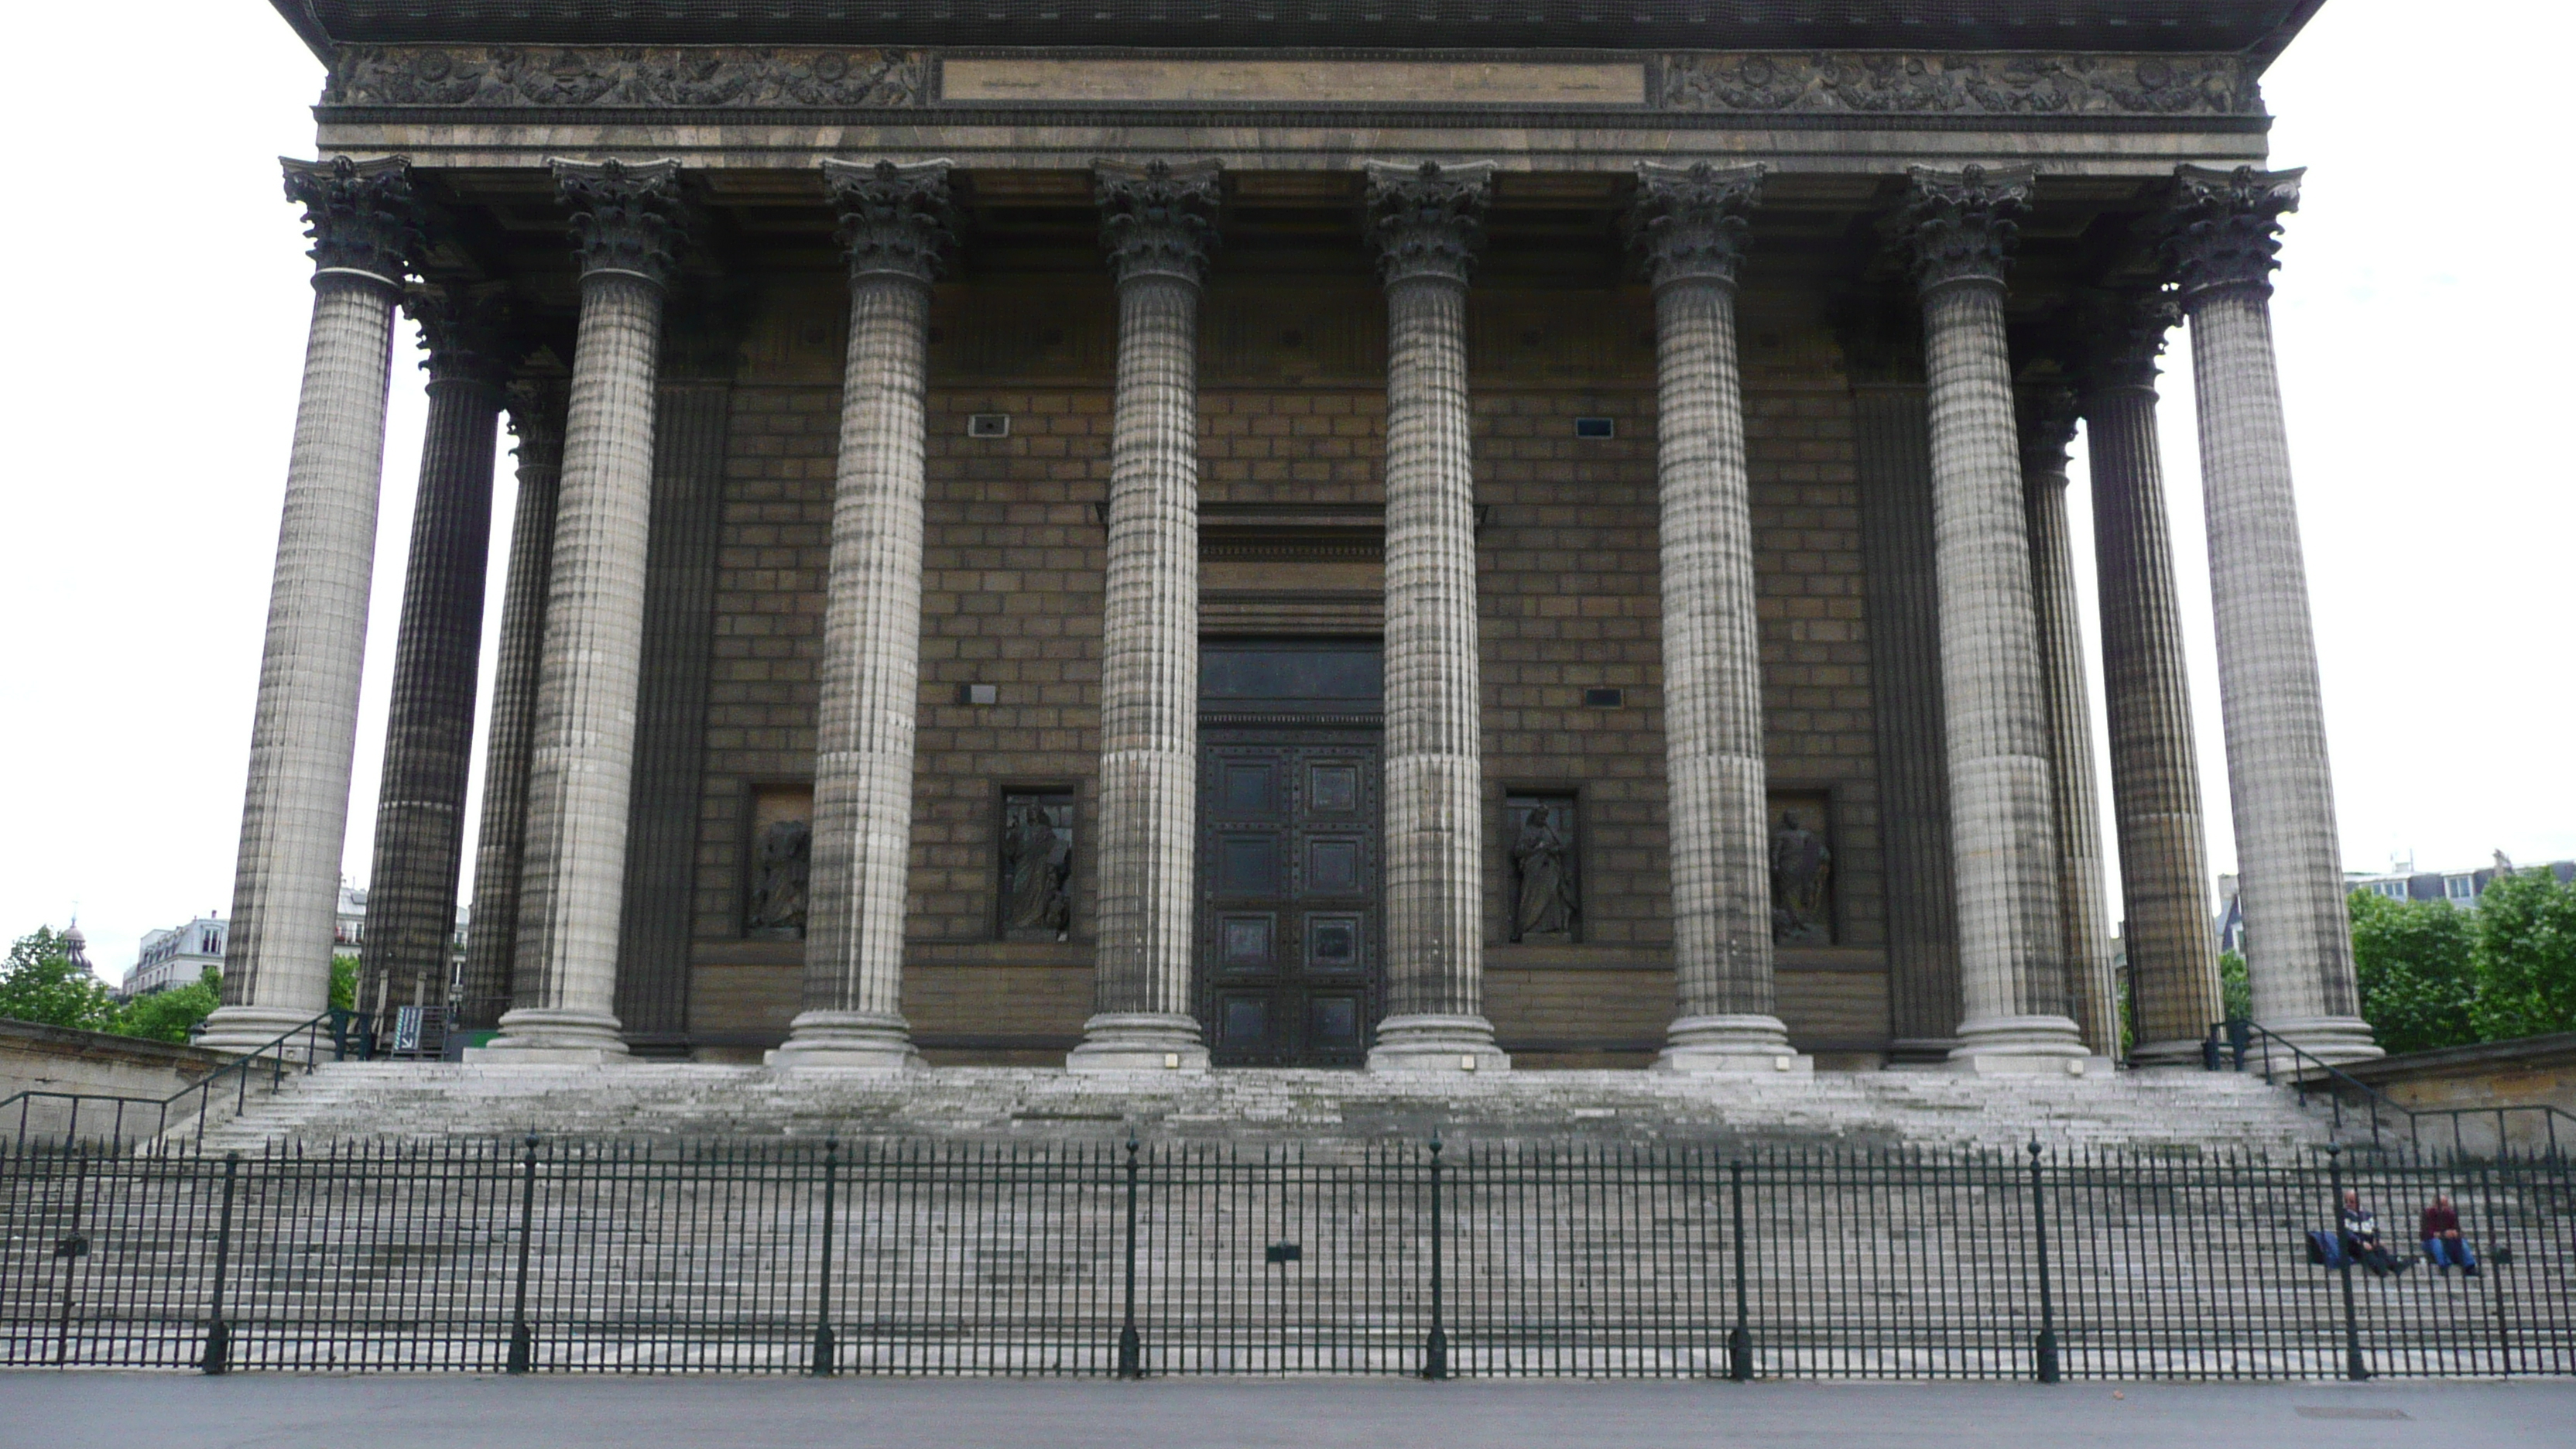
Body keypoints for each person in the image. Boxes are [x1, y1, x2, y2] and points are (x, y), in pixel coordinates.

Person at [2339, 1189, 2410, 1277]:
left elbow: (2375, 1229)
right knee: (2368, 1253)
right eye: (2346, 1201)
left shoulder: (2368, 1214)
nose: (2348, 1204)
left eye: (2351, 1201)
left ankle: (2393, 1266)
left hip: (2369, 1237)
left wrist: (2376, 1239)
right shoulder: (2344, 1214)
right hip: (2355, 1241)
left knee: (2381, 1250)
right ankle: (2389, 1267)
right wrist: (2360, 1241)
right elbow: (2346, 1232)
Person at [2421, 1194, 2480, 1276]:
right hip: (2431, 1242)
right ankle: (2444, 1266)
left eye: (2445, 1205)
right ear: (2434, 1204)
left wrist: (2455, 1234)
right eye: (2439, 1204)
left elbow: (2458, 1230)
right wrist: (2441, 1234)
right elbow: (2424, 1234)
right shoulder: (2428, 1214)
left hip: (2447, 1241)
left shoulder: (2450, 1214)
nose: (2442, 1207)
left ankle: (2469, 1266)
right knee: (2436, 1243)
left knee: (2462, 1241)